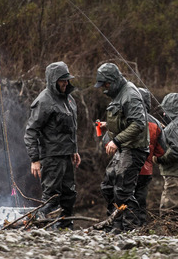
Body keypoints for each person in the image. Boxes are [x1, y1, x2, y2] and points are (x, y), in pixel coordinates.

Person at [24, 61, 81, 229]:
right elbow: (31, 131)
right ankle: (39, 227)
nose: (65, 83)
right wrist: (35, 159)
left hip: (67, 155)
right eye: (62, 80)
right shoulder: (44, 101)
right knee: (51, 196)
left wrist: (74, 150)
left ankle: (65, 226)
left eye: (67, 79)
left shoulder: (69, 99)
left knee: (69, 194)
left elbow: (72, 128)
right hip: (51, 157)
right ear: (53, 80)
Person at [94, 63, 149, 232]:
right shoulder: (119, 94)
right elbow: (124, 120)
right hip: (124, 148)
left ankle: (131, 229)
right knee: (108, 186)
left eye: (106, 84)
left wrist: (116, 141)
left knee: (123, 191)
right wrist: (108, 126)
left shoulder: (130, 94)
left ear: (113, 81)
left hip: (133, 149)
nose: (104, 88)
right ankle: (114, 224)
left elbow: (139, 123)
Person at [134, 88, 166, 226]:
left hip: (127, 167)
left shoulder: (128, 117)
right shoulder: (156, 123)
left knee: (123, 197)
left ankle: (123, 227)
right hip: (146, 170)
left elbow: (108, 141)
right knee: (141, 200)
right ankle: (140, 226)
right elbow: (162, 151)